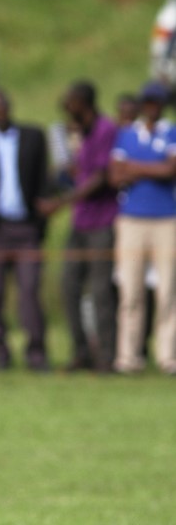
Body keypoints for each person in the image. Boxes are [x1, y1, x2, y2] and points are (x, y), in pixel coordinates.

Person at [0, 88, 52, 371]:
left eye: (0, 106)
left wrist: (40, 223)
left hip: (26, 228)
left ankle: (36, 353)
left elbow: (43, 181)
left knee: (29, 291)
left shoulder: (32, 137)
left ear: (8, 106)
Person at [39, 81, 119, 372]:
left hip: (102, 221)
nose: (66, 108)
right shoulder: (76, 133)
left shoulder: (105, 129)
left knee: (101, 291)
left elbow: (100, 178)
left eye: (70, 102)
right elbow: (77, 170)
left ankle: (107, 357)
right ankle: (81, 352)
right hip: (80, 222)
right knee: (69, 285)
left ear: (83, 103)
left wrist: (61, 203)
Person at [108, 80, 176, 374]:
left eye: (156, 102)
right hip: (132, 219)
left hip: (167, 218)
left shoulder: (171, 132)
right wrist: (154, 168)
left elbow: (170, 169)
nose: (152, 107)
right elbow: (114, 176)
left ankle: (167, 356)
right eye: (147, 102)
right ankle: (128, 357)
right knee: (130, 291)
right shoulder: (126, 134)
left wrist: (134, 168)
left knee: (168, 290)